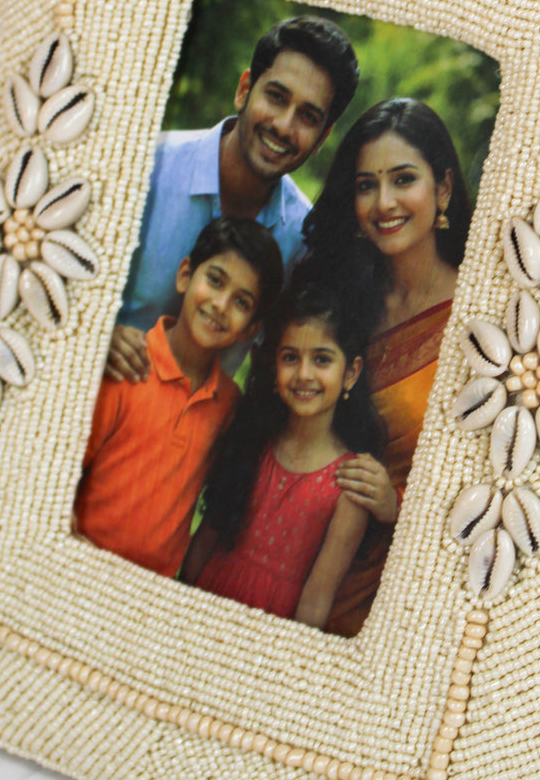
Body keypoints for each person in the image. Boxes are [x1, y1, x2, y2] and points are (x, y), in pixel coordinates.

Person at [296, 98, 473, 637]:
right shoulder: (344, 305)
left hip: (403, 600)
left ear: (442, 188)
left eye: (403, 179)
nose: (384, 202)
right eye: (366, 185)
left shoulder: (477, 319)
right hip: (298, 560)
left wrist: (397, 508)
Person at [107, 15, 360, 382]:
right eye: (276, 97)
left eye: (307, 116)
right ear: (244, 90)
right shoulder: (147, 167)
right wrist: (99, 331)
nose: (283, 126)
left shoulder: (302, 241)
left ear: (323, 137)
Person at [73, 217, 285, 579]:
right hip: (81, 566)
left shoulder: (228, 405)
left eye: (241, 301)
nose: (220, 305)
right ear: (185, 275)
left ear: (250, 329)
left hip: (152, 588)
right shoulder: (127, 366)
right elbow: (63, 480)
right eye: (215, 280)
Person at [181, 283, 386, 628]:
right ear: (274, 368)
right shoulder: (252, 443)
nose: (304, 374)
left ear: (350, 373)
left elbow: (316, 601)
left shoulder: (349, 484)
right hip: (202, 607)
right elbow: (203, 544)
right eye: (290, 358)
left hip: (272, 632)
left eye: (321, 359)